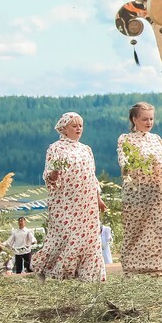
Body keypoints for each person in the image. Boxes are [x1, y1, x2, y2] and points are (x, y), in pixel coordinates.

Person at [117, 102, 162, 283]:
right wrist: (127, 167)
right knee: (135, 231)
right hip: (138, 192)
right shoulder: (125, 139)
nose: (149, 122)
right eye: (144, 119)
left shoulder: (157, 139)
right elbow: (123, 158)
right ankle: (130, 271)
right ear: (134, 119)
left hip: (161, 192)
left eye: (151, 118)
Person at [35, 112, 107, 282]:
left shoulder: (86, 149)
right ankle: (48, 270)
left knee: (89, 238)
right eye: (74, 126)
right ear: (64, 128)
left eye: (80, 125)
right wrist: (54, 174)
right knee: (64, 237)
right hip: (65, 201)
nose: (78, 129)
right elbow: (49, 175)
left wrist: (98, 198)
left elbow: (92, 175)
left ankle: (89, 276)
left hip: (87, 202)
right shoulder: (55, 148)